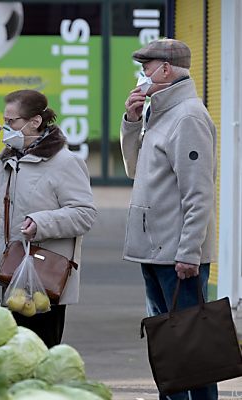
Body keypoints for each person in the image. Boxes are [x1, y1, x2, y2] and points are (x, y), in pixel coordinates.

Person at [0, 89, 97, 347]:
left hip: (41, 284)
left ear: (35, 121)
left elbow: (85, 214)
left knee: (37, 358)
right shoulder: (7, 160)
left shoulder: (65, 162)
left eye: (12, 122)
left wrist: (41, 223)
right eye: (5, 120)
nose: (5, 127)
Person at [120, 39, 217, 400]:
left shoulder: (188, 116)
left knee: (193, 349)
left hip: (177, 256)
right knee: (168, 345)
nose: (142, 73)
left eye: (146, 65)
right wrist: (131, 121)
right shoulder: (157, 112)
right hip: (154, 249)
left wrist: (189, 252)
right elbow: (134, 169)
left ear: (166, 69)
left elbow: (199, 192)